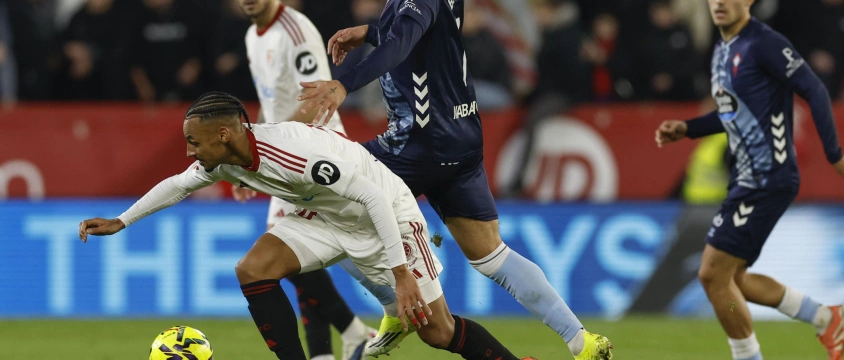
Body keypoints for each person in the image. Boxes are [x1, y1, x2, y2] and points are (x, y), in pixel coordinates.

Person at [296, 0, 612, 360]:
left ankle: (397, 300)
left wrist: (344, 83)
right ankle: (581, 341)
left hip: (419, 141)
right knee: (492, 255)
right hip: (460, 138)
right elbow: (417, 31)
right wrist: (368, 30)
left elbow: (403, 41)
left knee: (318, 208)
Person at [78, 92, 537, 360]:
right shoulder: (226, 159)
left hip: (385, 218)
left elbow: (375, 197)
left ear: (223, 134)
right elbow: (178, 185)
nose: (188, 152)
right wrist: (122, 220)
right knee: (252, 268)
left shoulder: (296, 154)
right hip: (326, 216)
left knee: (436, 332)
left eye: (193, 142)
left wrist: (401, 277)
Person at [655, 0, 844, 360]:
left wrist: (834, 155)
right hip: (748, 179)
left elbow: (814, 90)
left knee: (712, 276)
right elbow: (734, 114)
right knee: (735, 280)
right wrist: (689, 129)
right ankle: (826, 318)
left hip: (768, 176)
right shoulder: (721, 50)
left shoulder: (763, 43)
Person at [230, 0, 395, 360]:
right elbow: (272, 105)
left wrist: (259, 150)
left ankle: (368, 324)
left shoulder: (295, 29)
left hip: (314, 156)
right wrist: (254, 153)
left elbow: (316, 101)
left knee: (280, 261)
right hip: (282, 159)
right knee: (300, 263)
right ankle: (330, 349)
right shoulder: (254, 36)